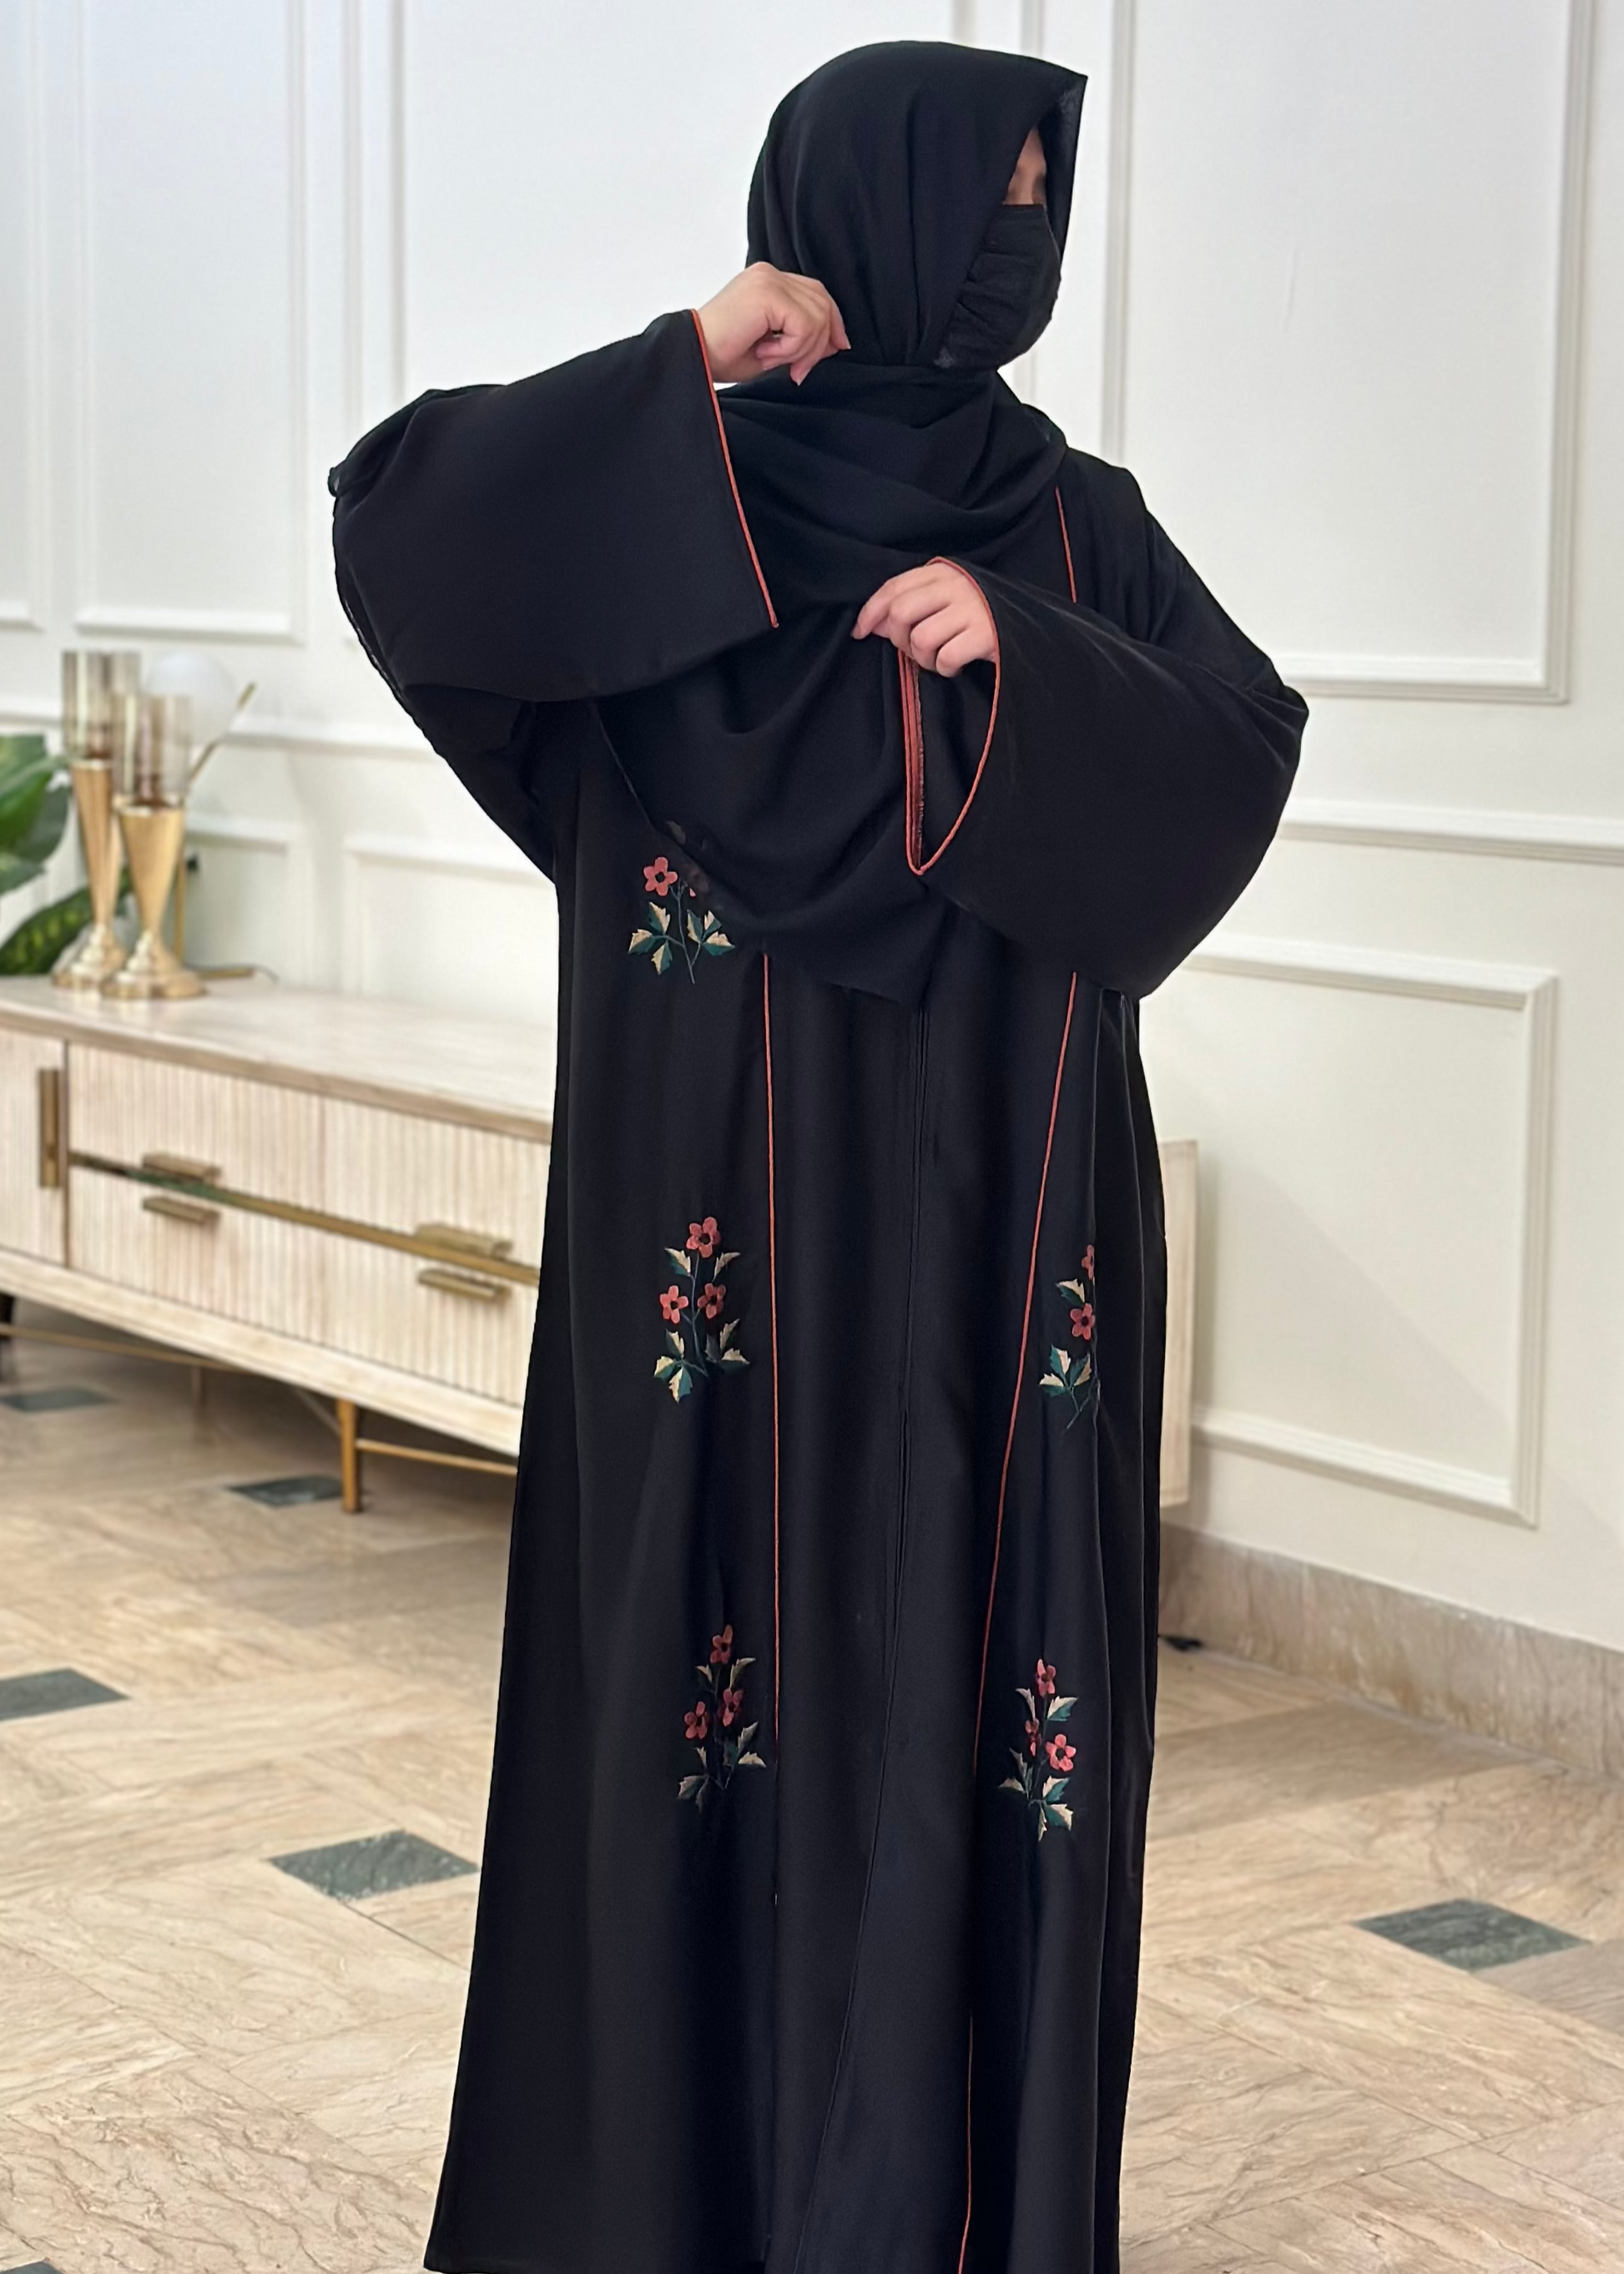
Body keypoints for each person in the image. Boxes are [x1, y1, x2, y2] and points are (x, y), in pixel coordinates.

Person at [329, 39, 1305, 2274]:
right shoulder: (682, 488)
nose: (1022, 243)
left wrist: (1029, 664)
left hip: (999, 1227)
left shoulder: (1069, 521)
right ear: (866, 207)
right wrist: (681, 355)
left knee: (973, 1649)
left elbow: (1243, 746)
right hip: (721, 1222)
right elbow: (405, 537)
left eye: (1043, 200)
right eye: (994, 196)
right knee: (707, 1662)